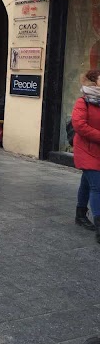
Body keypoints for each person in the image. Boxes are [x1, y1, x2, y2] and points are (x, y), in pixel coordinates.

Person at [72, 69, 100, 241]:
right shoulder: (83, 102)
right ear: (93, 81)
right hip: (86, 150)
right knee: (97, 186)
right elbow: (79, 125)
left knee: (87, 183)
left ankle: (80, 214)